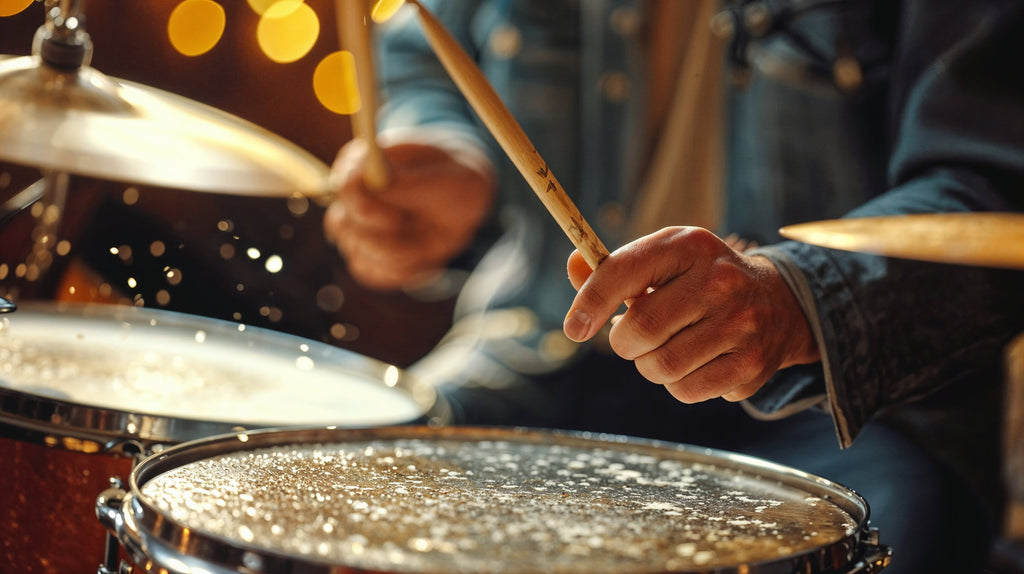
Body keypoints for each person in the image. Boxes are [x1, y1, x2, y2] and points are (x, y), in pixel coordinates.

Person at [323, 1, 1024, 572]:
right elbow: (422, 44)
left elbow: (992, 190)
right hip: (545, 347)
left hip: (851, 413)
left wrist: (800, 298)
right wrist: (446, 148)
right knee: (328, 491)